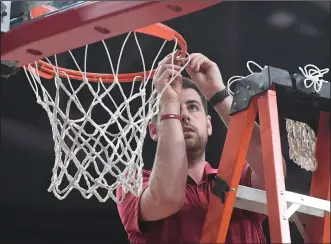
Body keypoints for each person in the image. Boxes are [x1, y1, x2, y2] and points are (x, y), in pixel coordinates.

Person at [117, 52, 286, 243]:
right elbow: (167, 198)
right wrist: (168, 103)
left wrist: (218, 93)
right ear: (155, 131)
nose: (185, 116)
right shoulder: (133, 186)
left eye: (193, 107)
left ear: (209, 125)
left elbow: (274, 170)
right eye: (176, 110)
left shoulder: (237, 179)